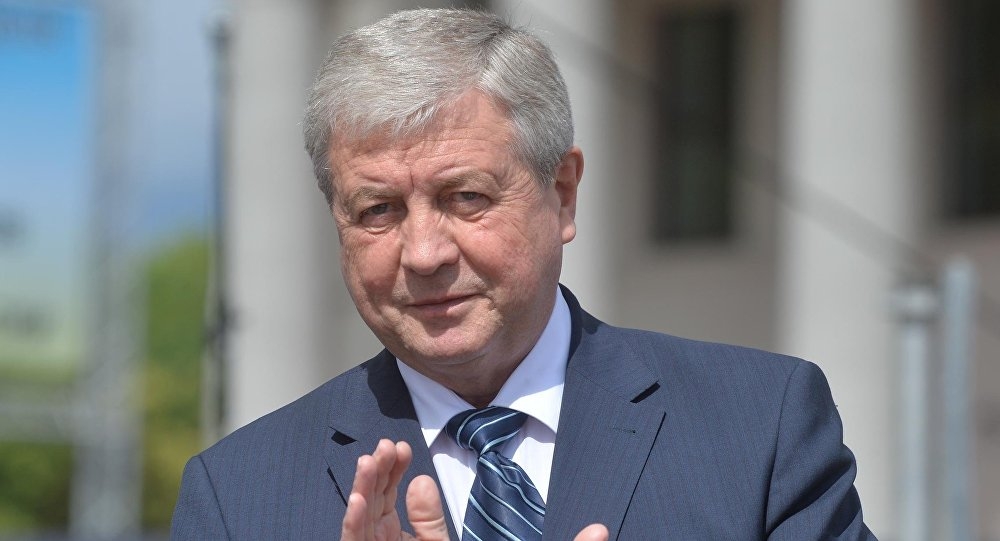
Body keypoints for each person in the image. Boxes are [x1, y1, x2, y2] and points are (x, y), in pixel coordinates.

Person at [171, 8, 876, 541]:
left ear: (562, 194)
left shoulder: (759, 429)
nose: (424, 253)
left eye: (465, 197)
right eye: (378, 210)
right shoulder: (238, 499)